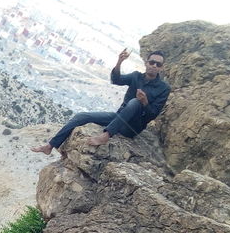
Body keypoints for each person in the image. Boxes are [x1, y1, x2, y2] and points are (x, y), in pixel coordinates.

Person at [31, 49, 170, 154]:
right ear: (146, 63)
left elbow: (152, 115)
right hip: (118, 117)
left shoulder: (164, 88)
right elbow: (116, 80)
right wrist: (119, 62)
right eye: (152, 62)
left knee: (135, 102)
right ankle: (50, 146)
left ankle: (105, 135)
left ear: (161, 68)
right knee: (82, 116)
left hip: (132, 126)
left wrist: (144, 102)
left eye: (158, 64)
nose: (154, 66)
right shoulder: (136, 76)